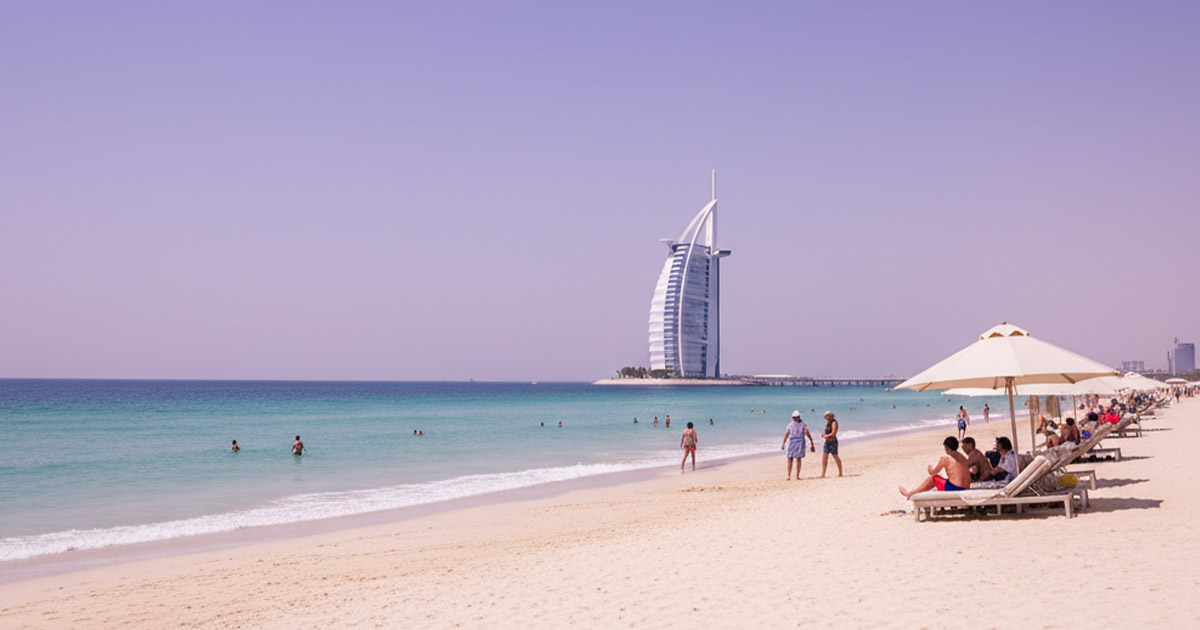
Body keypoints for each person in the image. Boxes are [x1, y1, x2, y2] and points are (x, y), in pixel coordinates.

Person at [898, 436, 971, 498]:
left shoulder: (945, 458)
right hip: (966, 486)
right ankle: (911, 493)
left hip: (955, 488)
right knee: (943, 479)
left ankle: (909, 494)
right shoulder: (963, 458)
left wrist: (930, 469)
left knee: (933, 478)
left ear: (947, 449)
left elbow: (933, 472)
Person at [780, 411, 815, 480]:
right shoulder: (802, 424)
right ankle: (793, 475)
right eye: (795, 417)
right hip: (796, 442)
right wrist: (783, 443)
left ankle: (793, 475)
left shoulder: (791, 425)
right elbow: (786, 434)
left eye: (796, 417)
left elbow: (786, 434)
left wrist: (811, 442)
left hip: (796, 442)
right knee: (793, 459)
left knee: (793, 459)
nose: (795, 419)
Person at [820, 411, 843, 478]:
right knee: (824, 458)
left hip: (833, 442)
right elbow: (826, 432)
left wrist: (826, 436)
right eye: (827, 416)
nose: (828, 417)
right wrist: (824, 435)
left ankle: (840, 472)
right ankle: (823, 474)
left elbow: (834, 433)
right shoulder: (828, 423)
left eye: (829, 416)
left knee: (835, 456)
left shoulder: (834, 422)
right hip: (827, 442)